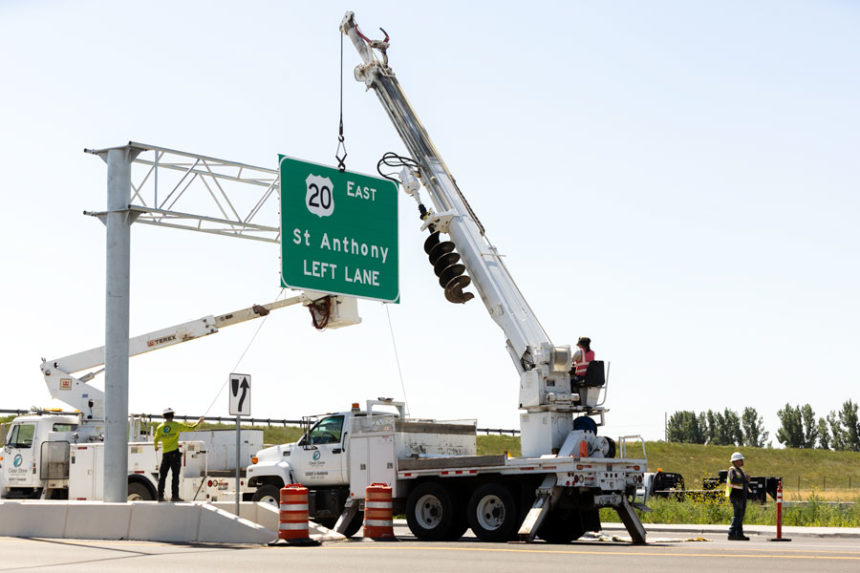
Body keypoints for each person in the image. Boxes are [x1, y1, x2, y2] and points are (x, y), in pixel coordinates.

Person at [153, 408, 204, 502]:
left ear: (164, 416)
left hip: (165, 454)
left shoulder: (160, 427)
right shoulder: (176, 425)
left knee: (163, 476)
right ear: (173, 415)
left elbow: (155, 439)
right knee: (175, 476)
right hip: (174, 454)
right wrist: (199, 422)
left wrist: (156, 447)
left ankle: (160, 497)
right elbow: (191, 428)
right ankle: (175, 496)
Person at [726, 451, 751, 540]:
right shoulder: (732, 470)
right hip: (736, 496)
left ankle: (739, 534)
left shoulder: (739, 470)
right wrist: (745, 479)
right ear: (736, 461)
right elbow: (733, 480)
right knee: (737, 515)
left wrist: (746, 480)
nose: (742, 461)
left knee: (740, 515)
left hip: (741, 496)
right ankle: (732, 532)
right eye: (740, 460)